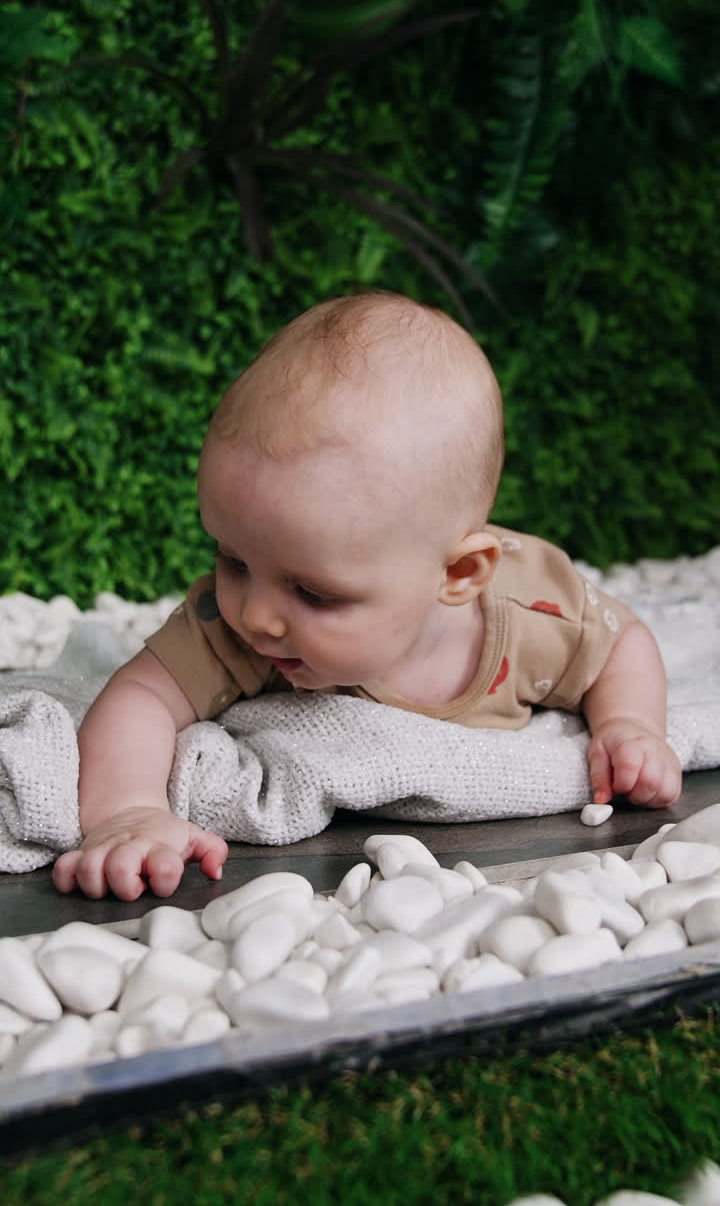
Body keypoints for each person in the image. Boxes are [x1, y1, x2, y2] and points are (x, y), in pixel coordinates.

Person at [52, 291, 682, 901]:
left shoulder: (534, 611)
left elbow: (620, 642)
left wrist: (629, 723)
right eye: (233, 559)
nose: (257, 615)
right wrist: (129, 812)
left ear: (459, 575)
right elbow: (139, 696)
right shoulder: (230, 627)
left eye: (313, 593)